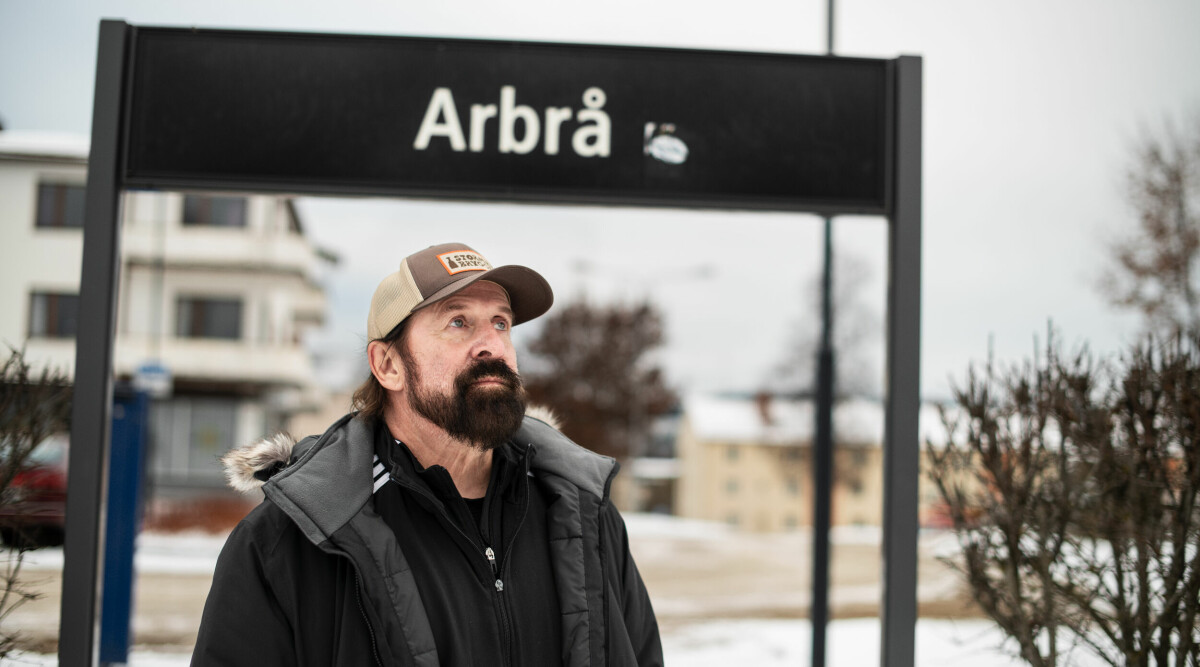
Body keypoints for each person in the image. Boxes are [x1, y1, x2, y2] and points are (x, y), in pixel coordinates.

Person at [192, 242, 663, 666]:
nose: (491, 345)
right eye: (458, 322)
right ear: (388, 365)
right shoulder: (294, 537)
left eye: (501, 322)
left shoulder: (582, 513)